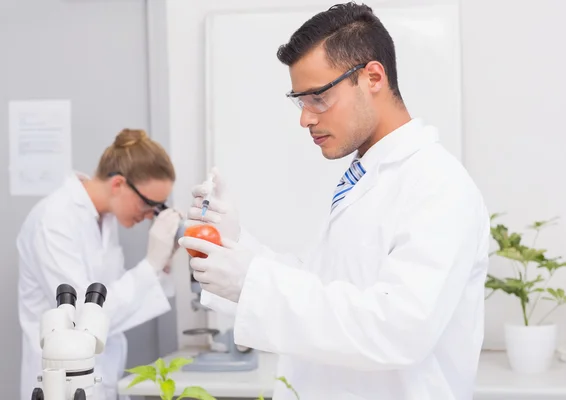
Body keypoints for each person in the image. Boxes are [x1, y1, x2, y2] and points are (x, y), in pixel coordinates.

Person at [179, 2, 490, 399]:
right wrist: (235, 247)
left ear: (372, 77)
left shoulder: (439, 186)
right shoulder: (365, 178)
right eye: (300, 101)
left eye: (318, 98)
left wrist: (252, 282)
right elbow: (326, 286)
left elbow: (397, 330)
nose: (305, 119)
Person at [17, 128, 182, 400]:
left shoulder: (104, 219)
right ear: (118, 184)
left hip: (99, 377)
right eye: (148, 204)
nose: (150, 215)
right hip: (60, 382)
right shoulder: (54, 221)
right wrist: (149, 266)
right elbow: (84, 318)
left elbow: (111, 296)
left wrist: (162, 264)